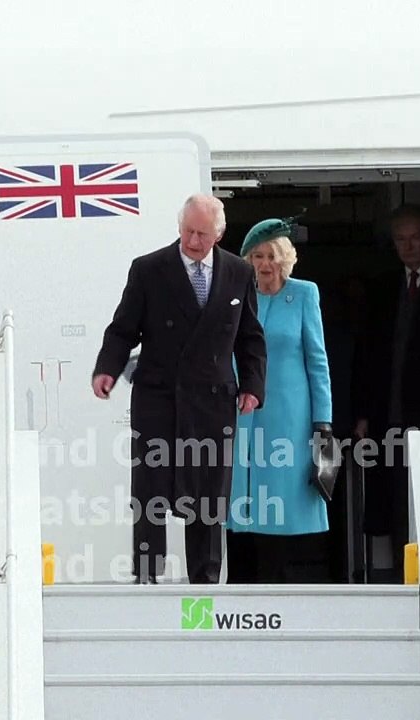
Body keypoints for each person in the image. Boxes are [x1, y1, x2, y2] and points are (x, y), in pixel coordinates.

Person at [91, 194, 267, 584]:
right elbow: (122, 329)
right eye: (187, 231)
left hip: (213, 401)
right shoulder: (149, 269)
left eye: (202, 234)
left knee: (208, 495)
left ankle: (205, 581)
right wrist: (107, 368)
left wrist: (253, 385)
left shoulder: (239, 272)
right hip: (159, 398)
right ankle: (147, 576)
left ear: (219, 234)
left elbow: (250, 337)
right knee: (151, 491)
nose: (192, 241)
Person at [352, 203, 420, 581]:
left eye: (415, 238)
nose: (408, 246)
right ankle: (403, 577)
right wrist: (362, 413)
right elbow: (365, 354)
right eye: (401, 239)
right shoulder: (383, 286)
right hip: (389, 412)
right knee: (395, 498)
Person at [226, 218, 334, 583]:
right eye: (257, 256)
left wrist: (323, 421)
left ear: (284, 259)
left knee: (282, 504)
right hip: (244, 414)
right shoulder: (237, 295)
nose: (265, 263)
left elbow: (317, 361)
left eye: (271, 255)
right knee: (242, 503)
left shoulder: (304, 294)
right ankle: (242, 587)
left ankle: (279, 585)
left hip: (290, 417)